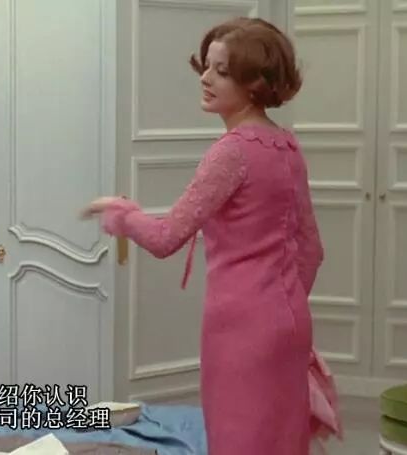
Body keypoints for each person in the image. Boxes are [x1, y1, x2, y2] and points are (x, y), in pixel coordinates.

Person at [82, 17, 341, 454]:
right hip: (289, 322)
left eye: (221, 71)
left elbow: (166, 237)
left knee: (240, 438)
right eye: (206, 66)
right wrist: (282, 306)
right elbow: (312, 251)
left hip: (241, 326)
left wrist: (120, 214)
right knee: (280, 441)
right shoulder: (287, 147)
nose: (204, 78)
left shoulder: (232, 152)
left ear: (254, 84)